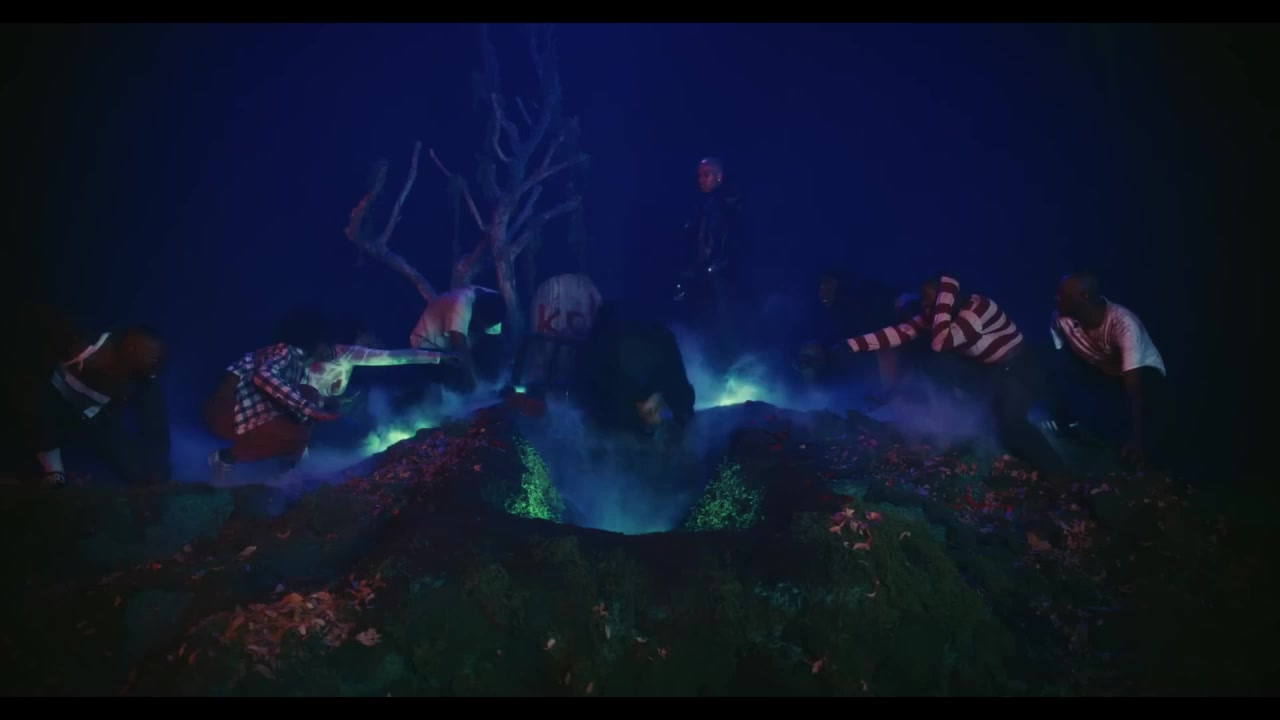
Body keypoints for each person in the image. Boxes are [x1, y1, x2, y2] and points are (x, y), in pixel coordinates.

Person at [832, 273, 1071, 481]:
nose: (923, 304)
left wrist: (944, 297)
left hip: (1020, 369)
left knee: (1011, 423)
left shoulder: (979, 309)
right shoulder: (937, 314)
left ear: (946, 298)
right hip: (990, 372)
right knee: (938, 368)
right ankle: (978, 434)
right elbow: (901, 332)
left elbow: (941, 342)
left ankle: (1059, 472)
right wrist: (851, 345)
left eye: (929, 299)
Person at [8, 306, 171, 488]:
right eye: (153, 357)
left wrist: (157, 472)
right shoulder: (83, 342)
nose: (158, 364)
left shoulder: (145, 384)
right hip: (49, 400)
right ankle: (49, 473)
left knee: (139, 468)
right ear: (131, 348)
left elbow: (156, 428)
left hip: (90, 418)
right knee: (31, 411)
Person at [1043, 272, 1169, 468]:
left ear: (1084, 297)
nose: (1056, 298)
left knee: (1144, 403)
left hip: (1141, 373)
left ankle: (1144, 445)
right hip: (1101, 367)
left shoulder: (1124, 324)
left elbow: (1132, 384)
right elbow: (1060, 357)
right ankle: (1066, 423)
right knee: (1046, 361)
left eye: (1062, 295)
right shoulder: (1059, 318)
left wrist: (1136, 439)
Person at [204, 340, 342, 483]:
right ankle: (225, 459)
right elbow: (264, 375)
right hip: (228, 409)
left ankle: (286, 469)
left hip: (247, 412)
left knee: (306, 407)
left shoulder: (301, 366)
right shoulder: (286, 351)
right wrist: (306, 406)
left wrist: (322, 404)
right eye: (327, 346)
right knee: (301, 411)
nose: (329, 352)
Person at [573, 302, 696, 443]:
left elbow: (680, 399)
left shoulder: (661, 341)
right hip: (609, 434)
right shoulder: (600, 347)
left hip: (637, 433)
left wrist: (674, 422)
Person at [672, 157, 745, 370]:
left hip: (720, 279)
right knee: (702, 327)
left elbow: (733, 241)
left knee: (722, 326)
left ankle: (727, 369)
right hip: (703, 278)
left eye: (706, 175)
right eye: (699, 176)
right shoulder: (702, 207)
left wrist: (719, 267)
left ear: (718, 177)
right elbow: (694, 244)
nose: (701, 180)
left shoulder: (728, 205)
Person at [408, 286, 506, 393]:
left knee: (492, 349)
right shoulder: (460, 303)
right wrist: (475, 386)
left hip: (456, 347)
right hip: (429, 346)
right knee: (456, 375)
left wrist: (493, 379)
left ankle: (490, 386)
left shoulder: (495, 305)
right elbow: (460, 346)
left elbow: (492, 344)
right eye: (481, 324)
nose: (482, 328)